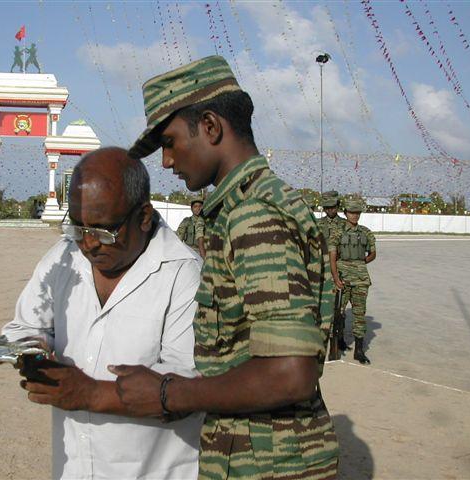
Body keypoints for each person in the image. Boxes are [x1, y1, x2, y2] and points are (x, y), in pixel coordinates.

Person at [114, 55, 339, 479]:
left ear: (211, 127)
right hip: (256, 451)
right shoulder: (247, 205)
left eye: (169, 141)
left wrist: (168, 394)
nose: (165, 161)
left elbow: (291, 373)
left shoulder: (253, 215)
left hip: (270, 460)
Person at [2, 147, 203, 479]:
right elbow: (23, 327)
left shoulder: (183, 274)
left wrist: (91, 393)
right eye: (78, 227)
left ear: (144, 217)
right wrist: (34, 353)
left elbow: (190, 388)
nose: (88, 243)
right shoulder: (62, 259)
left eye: (104, 230)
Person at [329, 197, 376, 364]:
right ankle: (339, 341)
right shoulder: (337, 232)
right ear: (345, 213)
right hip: (342, 277)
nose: (355, 216)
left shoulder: (366, 232)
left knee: (359, 314)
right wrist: (335, 277)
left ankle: (359, 350)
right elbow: (332, 257)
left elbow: (372, 253)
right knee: (338, 313)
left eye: (358, 213)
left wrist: (361, 263)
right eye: (352, 212)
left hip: (361, 279)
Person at [318, 190, 351, 352]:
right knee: (323, 307)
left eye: (333, 207)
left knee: (340, 308)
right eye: (327, 208)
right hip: (321, 271)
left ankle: (340, 338)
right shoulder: (318, 224)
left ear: (337, 206)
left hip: (341, 269)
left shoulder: (345, 224)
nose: (330, 210)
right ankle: (322, 338)